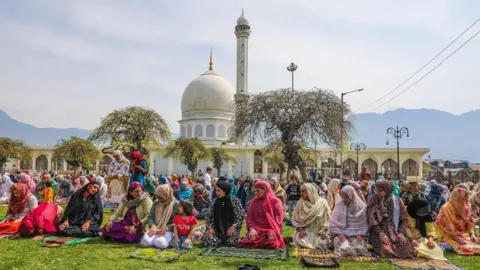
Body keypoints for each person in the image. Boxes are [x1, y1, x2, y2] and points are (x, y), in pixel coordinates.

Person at [367, 179, 415, 258]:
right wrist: (381, 233)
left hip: (395, 230)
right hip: (378, 231)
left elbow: (403, 218)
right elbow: (372, 219)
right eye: (376, 190)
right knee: (385, 250)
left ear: (386, 190)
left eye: (380, 191)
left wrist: (401, 233)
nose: (377, 192)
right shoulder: (373, 200)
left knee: (406, 248)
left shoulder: (397, 200)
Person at [238, 181, 285, 249]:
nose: (256, 193)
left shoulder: (276, 202)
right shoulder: (254, 201)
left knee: (271, 242)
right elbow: (249, 218)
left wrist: (272, 231)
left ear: (265, 190)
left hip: (271, 229)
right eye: (255, 191)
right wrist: (251, 229)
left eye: (258, 191)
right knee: (247, 241)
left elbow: (279, 220)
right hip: (257, 229)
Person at [435, 187, 480, 255]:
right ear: (456, 198)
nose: (465, 201)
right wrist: (457, 239)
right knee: (467, 247)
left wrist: (472, 234)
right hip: (450, 236)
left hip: (464, 234)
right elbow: (448, 229)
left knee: (474, 242)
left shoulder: (464, 206)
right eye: (463, 198)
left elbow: (469, 223)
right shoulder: (446, 208)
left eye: (466, 198)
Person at [329, 185, 369, 257]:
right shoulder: (339, 205)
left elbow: (364, 225)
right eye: (342, 197)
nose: (344, 199)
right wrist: (339, 234)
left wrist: (360, 235)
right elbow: (333, 224)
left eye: (346, 197)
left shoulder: (361, 207)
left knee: (358, 246)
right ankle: (345, 247)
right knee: (342, 244)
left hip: (356, 235)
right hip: (342, 234)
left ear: (352, 196)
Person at [203, 181, 244, 247]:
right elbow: (208, 217)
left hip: (230, 229)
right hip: (216, 229)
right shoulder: (214, 201)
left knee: (231, 242)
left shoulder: (235, 201)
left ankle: (224, 240)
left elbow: (240, 216)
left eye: (219, 191)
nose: (217, 193)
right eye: (216, 190)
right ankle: (218, 239)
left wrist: (234, 226)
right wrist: (210, 228)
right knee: (210, 240)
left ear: (225, 190)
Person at [291, 183, 330, 250]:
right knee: (302, 241)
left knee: (322, 243)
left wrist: (324, 231)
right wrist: (300, 230)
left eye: (303, 191)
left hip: (320, 231)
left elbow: (328, 218)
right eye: (301, 191)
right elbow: (295, 219)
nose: (301, 194)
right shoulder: (300, 203)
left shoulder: (323, 202)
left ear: (310, 191)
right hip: (305, 230)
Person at [141, 184, 179, 249]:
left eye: (160, 197)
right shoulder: (156, 202)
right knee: (145, 242)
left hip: (168, 230)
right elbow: (150, 216)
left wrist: (166, 228)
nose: (158, 199)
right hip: (155, 228)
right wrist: (152, 226)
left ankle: (162, 240)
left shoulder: (176, 204)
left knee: (160, 243)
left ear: (167, 194)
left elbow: (179, 222)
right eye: (157, 196)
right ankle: (155, 240)